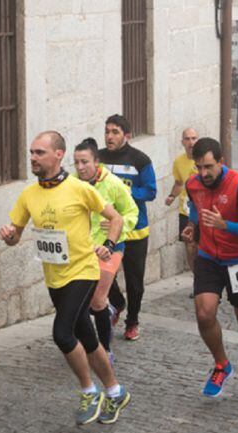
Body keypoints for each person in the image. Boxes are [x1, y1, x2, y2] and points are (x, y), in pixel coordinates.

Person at [0, 131, 131, 425]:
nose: (33, 158)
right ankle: (115, 391)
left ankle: (89, 391)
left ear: (58, 155)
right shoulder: (28, 195)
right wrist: (9, 236)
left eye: (39, 153)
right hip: (54, 277)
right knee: (87, 336)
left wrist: (108, 246)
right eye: (31, 152)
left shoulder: (79, 188)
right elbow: (15, 234)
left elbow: (116, 218)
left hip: (83, 271)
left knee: (62, 333)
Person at [181, 137, 238, 400]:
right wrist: (193, 230)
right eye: (199, 167)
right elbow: (196, 212)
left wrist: (224, 225)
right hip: (208, 257)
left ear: (221, 161)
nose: (204, 173)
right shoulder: (193, 183)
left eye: (209, 166)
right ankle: (222, 365)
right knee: (204, 314)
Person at [73, 138, 139, 358]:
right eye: (76, 163)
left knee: (98, 299)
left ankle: (105, 350)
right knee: (85, 302)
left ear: (97, 162)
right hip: (83, 248)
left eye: (85, 162)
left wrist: (117, 225)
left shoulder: (113, 184)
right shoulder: (72, 183)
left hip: (110, 247)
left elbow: (132, 213)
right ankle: (108, 311)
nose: (80, 168)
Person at [99, 114, 156, 341]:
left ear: (127, 135)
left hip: (135, 230)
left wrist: (125, 194)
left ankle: (132, 321)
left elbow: (151, 191)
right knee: (103, 274)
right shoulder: (99, 158)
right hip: (105, 229)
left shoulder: (140, 160)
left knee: (134, 280)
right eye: (107, 132)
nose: (109, 136)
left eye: (114, 132)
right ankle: (117, 302)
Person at [165, 128, 200, 275]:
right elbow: (179, 183)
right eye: (187, 139)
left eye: (193, 138)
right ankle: (196, 279)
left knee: (201, 246)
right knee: (190, 246)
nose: (191, 142)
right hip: (185, 209)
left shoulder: (204, 158)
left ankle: (206, 279)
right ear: (182, 142)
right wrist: (172, 196)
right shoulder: (179, 161)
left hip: (203, 208)